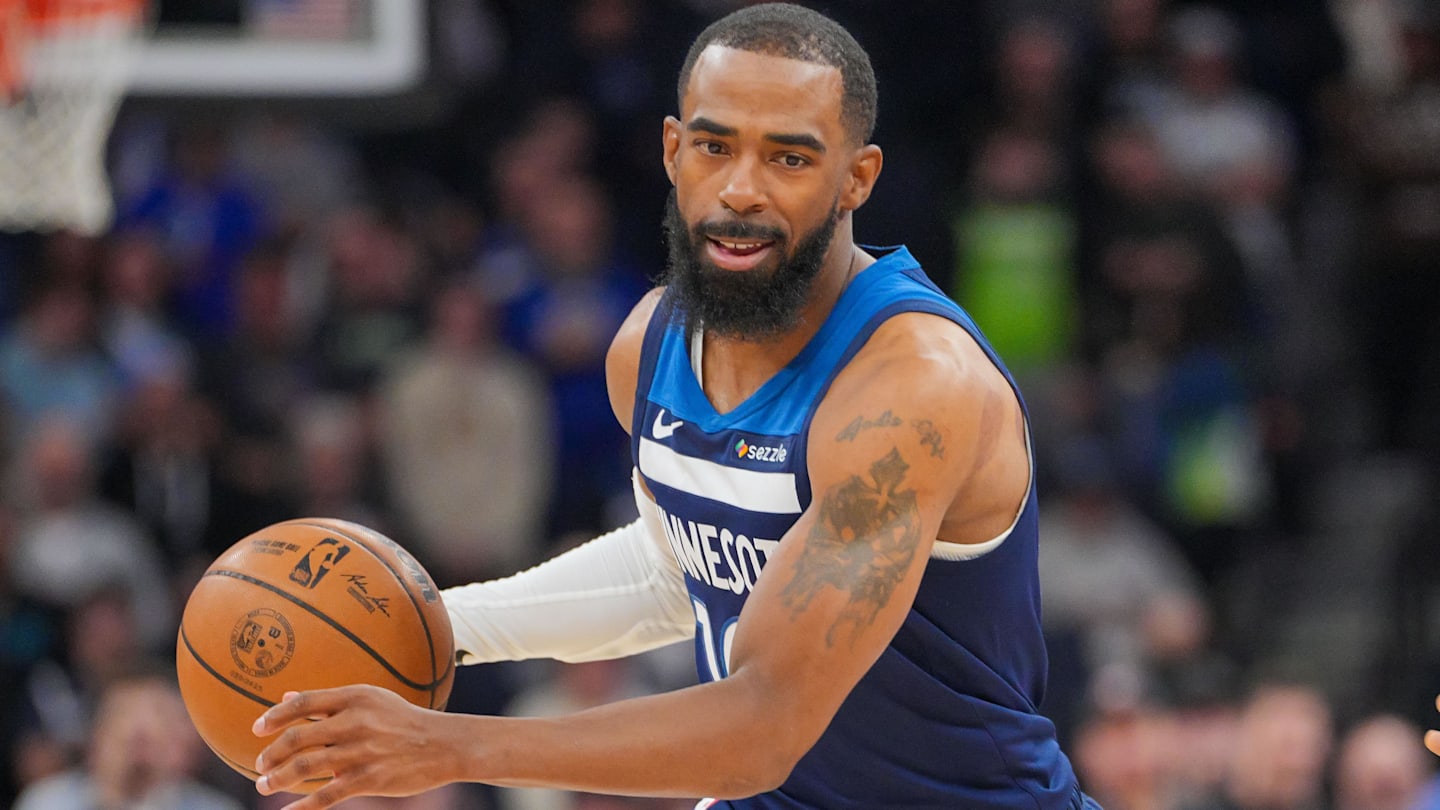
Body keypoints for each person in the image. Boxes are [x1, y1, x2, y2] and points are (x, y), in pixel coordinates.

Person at [251, 5, 1096, 808]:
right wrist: (428, 624)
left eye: (789, 159)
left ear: (856, 178)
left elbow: (762, 726)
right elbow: (676, 568)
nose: (741, 189)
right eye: (714, 147)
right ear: (671, 150)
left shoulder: (913, 390)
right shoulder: (649, 345)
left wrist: (448, 746)